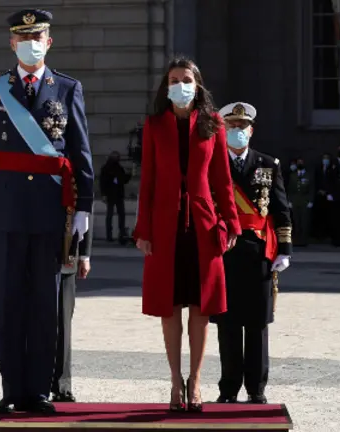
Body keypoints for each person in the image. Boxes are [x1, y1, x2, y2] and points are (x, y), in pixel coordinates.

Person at [0, 9, 94, 414]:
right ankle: (11, 388)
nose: (30, 43)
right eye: (22, 37)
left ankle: (39, 389)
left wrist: (84, 208)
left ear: (49, 42)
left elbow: (80, 150)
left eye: (37, 36)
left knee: (45, 303)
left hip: (49, 210)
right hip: (5, 209)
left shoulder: (67, 88)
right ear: (11, 43)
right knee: (9, 302)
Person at [133, 57, 240, 413]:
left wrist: (231, 223)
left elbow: (223, 181)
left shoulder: (213, 124)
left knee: (200, 307)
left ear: (198, 84)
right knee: (169, 306)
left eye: (186, 79)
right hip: (165, 228)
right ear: (166, 86)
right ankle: (174, 380)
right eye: (174, 79)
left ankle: (195, 381)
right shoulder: (153, 125)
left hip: (203, 226)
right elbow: (146, 181)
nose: (180, 84)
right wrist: (142, 229)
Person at [212, 102, 293, 404]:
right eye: (231, 126)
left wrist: (284, 249)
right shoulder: (213, 164)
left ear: (251, 130)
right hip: (225, 252)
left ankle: (256, 390)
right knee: (228, 323)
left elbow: (282, 209)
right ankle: (228, 388)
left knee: (257, 323)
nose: (237, 131)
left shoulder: (268, 164)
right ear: (224, 130)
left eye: (242, 127)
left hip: (260, 251)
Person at [51, 225, 92, 403]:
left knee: (63, 323)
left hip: (66, 250)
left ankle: (62, 385)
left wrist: (84, 254)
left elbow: (84, 208)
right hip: (32, 249)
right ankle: (33, 385)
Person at [99, 151, 130, 242]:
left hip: (117, 194)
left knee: (119, 215)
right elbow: (103, 182)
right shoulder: (106, 168)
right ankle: (110, 235)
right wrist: (104, 194)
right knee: (110, 215)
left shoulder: (118, 168)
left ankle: (121, 234)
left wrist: (128, 175)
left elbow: (123, 180)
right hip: (111, 194)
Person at [287, 156, 314, 246]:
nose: (299, 164)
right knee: (296, 221)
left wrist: (310, 201)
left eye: (301, 162)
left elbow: (311, 189)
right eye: (298, 162)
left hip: (305, 202)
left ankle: (304, 240)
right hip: (295, 201)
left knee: (304, 221)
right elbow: (290, 189)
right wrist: (290, 200)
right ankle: (297, 240)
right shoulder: (293, 175)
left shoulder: (308, 175)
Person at [312, 153, 335, 240]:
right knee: (319, 215)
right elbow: (316, 180)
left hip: (329, 195)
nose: (325, 160)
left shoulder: (332, 168)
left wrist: (328, 192)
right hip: (319, 194)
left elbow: (333, 182)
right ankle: (319, 234)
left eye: (327, 158)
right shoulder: (318, 168)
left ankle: (328, 233)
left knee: (328, 215)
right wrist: (319, 190)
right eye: (324, 158)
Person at [332, 146, 340, 246]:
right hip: (335, 195)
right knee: (335, 218)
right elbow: (329, 179)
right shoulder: (333, 164)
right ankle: (336, 240)